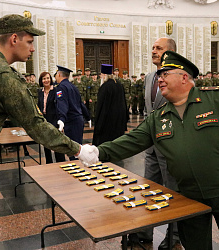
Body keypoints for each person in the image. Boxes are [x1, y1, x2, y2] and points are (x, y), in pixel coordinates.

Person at [0, 14, 97, 250]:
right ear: (14, 39)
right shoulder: (4, 76)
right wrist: (78, 149)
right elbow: (36, 126)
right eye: (30, 41)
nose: (33, 49)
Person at [80, 50, 219, 250]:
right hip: (190, 196)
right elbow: (130, 141)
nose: (159, 80)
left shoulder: (213, 100)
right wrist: (97, 153)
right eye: (159, 75)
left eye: (165, 74)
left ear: (184, 77)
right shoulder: (158, 117)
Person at [136, 37, 179, 249]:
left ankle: (175, 236)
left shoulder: (180, 77)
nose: (153, 51)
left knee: (172, 192)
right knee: (148, 188)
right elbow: (147, 111)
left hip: (171, 147)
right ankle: (144, 232)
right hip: (151, 145)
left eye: (158, 48)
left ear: (169, 53)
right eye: (152, 47)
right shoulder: (150, 77)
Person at [55, 65, 91, 160]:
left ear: (59, 75)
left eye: (56, 75)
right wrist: (87, 116)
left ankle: (77, 171)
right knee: (78, 148)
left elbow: (63, 103)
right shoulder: (73, 86)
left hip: (71, 121)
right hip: (79, 120)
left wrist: (62, 119)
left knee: (73, 150)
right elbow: (80, 103)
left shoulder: (61, 87)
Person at [92, 64, 127, 147]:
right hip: (119, 119)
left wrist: (97, 122)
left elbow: (101, 106)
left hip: (107, 121)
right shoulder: (119, 84)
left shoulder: (104, 87)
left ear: (104, 75)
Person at [37, 72, 65, 163]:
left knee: (57, 145)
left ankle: (60, 163)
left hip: (55, 121)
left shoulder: (57, 90)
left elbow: (60, 106)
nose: (46, 80)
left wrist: (61, 120)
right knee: (46, 145)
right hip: (45, 122)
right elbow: (39, 105)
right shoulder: (40, 92)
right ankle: (49, 164)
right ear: (41, 81)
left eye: (48, 78)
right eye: (44, 79)